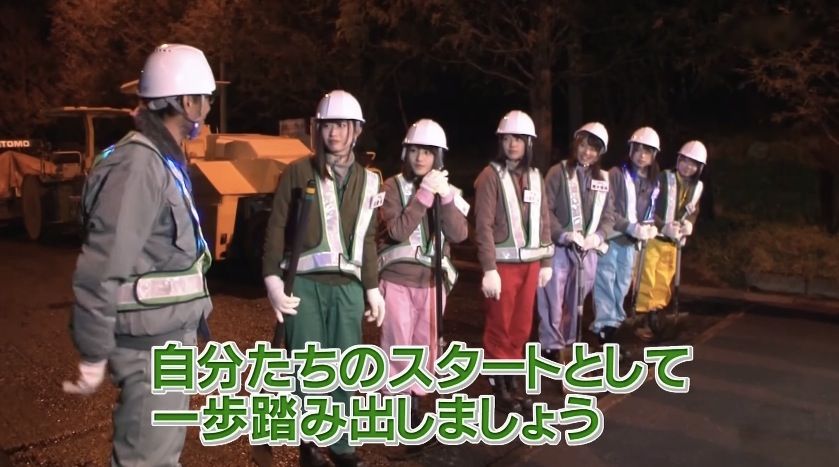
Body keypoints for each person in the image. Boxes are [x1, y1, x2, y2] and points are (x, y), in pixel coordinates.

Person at [63, 43, 216, 465]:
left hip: (167, 338)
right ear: (187, 103)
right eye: (205, 99)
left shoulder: (161, 160)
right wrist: (93, 350)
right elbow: (102, 265)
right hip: (150, 347)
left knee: (161, 455)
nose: (207, 109)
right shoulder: (139, 166)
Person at [262, 89, 385, 467]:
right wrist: (271, 279)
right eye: (328, 125)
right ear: (318, 129)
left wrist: (372, 286)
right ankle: (310, 444)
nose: (334, 133)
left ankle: (341, 445)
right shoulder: (298, 172)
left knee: (346, 368)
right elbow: (276, 226)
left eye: (342, 125)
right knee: (310, 367)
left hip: (348, 289)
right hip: (304, 285)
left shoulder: (370, 181)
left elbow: (367, 237)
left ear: (356, 130)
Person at [377, 118, 469, 448]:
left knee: (425, 346)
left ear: (438, 157)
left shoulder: (448, 189)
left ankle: (416, 405)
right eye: (415, 150)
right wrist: (424, 195)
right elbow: (397, 230)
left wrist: (445, 198)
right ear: (406, 152)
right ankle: (396, 410)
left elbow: (460, 234)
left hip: (432, 281)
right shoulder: (391, 187)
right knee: (397, 344)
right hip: (397, 279)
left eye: (428, 152)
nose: (420, 157)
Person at [474, 110, 554, 415]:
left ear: (529, 143)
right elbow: (482, 226)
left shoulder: (535, 176)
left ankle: (512, 380)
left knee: (521, 327)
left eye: (518, 139)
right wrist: (489, 268)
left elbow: (543, 220)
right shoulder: (489, 176)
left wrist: (546, 261)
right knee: (500, 326)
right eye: (507, 138)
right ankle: (499, 387)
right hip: (502, 267)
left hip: (530, 266)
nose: (512, 144)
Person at [539, 122, 615, 364]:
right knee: (552, 297)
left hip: (587, 250)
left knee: (577, 299)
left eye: (593, 149)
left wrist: (599, 236)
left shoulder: (604, 179)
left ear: (600, 153)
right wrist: (562, 234)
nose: (586, 152)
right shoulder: (558, 172)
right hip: (560, 248)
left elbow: (609, 216)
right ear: (575, 145)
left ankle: (571, 343)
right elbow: (545, 210)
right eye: (583, 146)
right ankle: (551, 345)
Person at [591, 127, 661, 355]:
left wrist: (650, 227)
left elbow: (649, 211)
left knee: (622, 283)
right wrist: (630, 226)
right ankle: (604, 329)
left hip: (631, 241)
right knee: (606, 280)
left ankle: (615, 325)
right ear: (630, 150)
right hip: (612, 236)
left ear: (654, 155)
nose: (641, 155)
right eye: (637, 150)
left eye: (647, 151)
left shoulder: (652, 181)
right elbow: (608, 208)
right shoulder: (616, 174)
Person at [634, 140, 707, 339]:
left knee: (664, 279)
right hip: (654, 238)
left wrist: (688, 225)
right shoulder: (662, 178)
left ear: (699, 168)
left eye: (693, 164)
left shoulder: (697, 187)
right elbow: (647, 206)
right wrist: (662, 225)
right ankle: (642, 317)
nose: (687, 167)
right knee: (647, 278)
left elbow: (693, 210)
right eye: (685, 161)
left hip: (673, 243)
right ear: (678, 160)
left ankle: (656, 315)